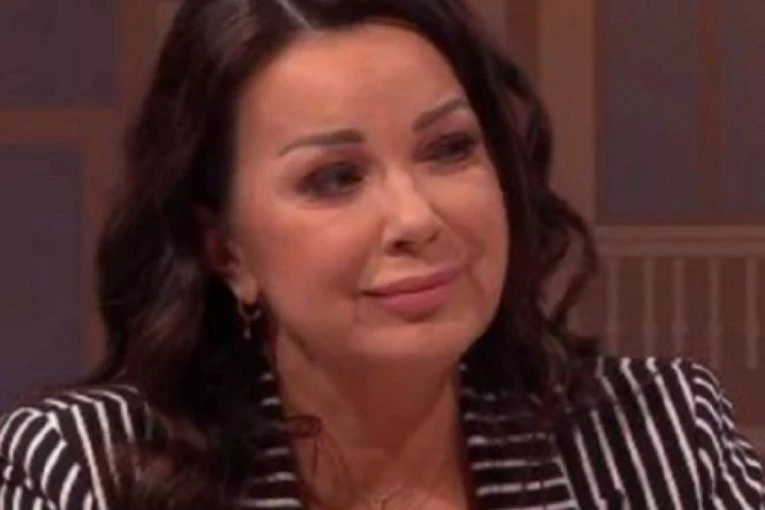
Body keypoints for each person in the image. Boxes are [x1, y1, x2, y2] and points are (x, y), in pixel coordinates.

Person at [1, 0, 762, 508]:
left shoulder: (660, 437)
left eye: (449, 149)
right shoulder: (87, 470)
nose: (415, 218)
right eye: (335, 178)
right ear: (227, 251)